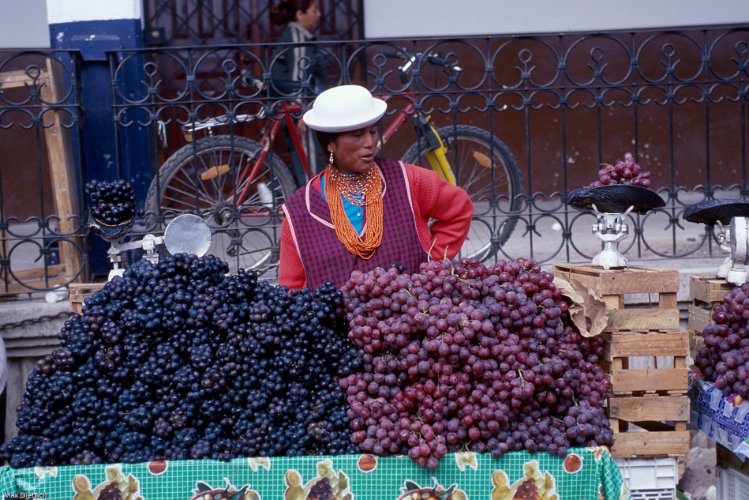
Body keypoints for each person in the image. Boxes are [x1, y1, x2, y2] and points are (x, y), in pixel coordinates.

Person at [278, 85, 474, 289]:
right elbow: (291, 288)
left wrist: (431, 264)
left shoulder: (406, 181)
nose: (370, 142)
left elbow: (459, 208)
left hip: (410, 313)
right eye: (357, 135)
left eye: (373, 132)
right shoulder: (300, 212)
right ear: (330, 143)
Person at [270, 0, 328, 182]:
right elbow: (297, 81)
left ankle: (273, 189)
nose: (319, 14)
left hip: (299, 109)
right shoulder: (297, 37)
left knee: (304, 164)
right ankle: (312, 207)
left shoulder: (298, 35)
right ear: (300, 14)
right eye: (314, 10)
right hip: (301, 113)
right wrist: (302, 112)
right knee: (310, 168)